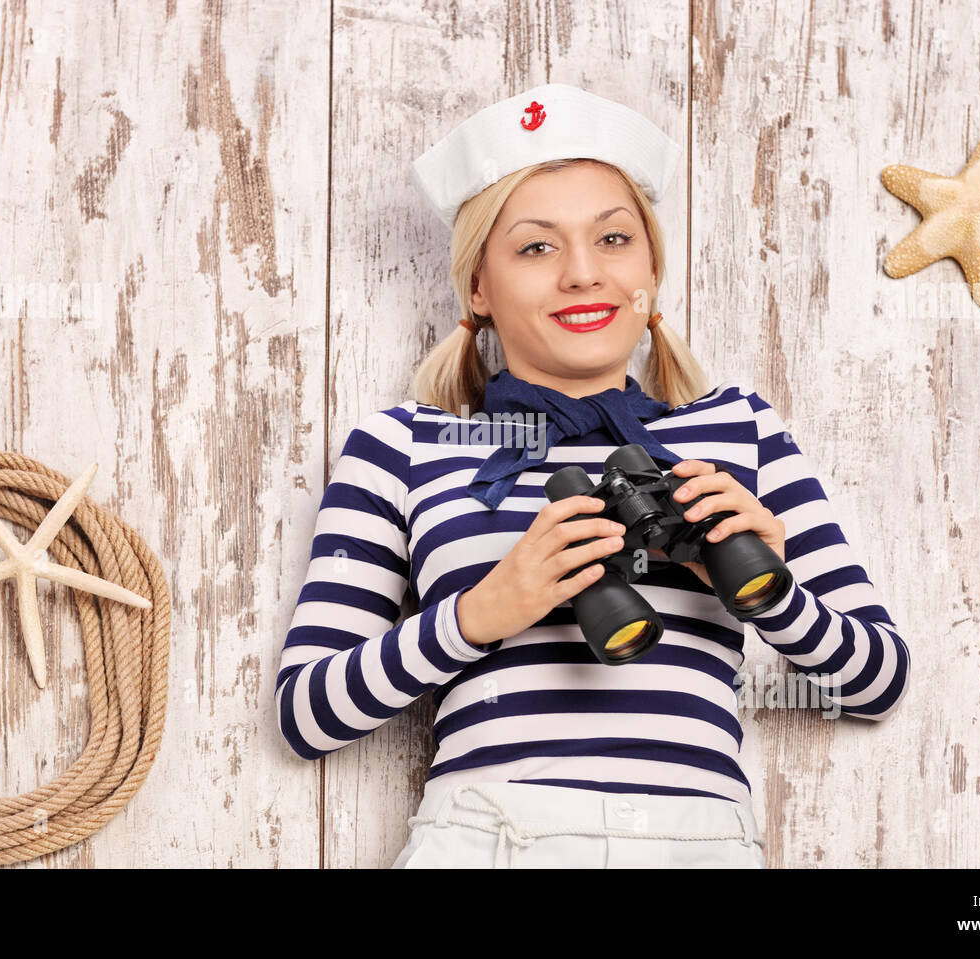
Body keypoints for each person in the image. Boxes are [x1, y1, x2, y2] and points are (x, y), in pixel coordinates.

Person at [275, 83, 910, 868]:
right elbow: (307, 713)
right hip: (488, 836)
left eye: (613, 240)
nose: (583, 274)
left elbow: (877, 680)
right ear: (478, 283)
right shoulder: (404, 443)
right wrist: (480, 613)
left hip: (701, 843)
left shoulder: (740, 427)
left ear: (651, 267)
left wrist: (770, 590)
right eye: (536, 246)